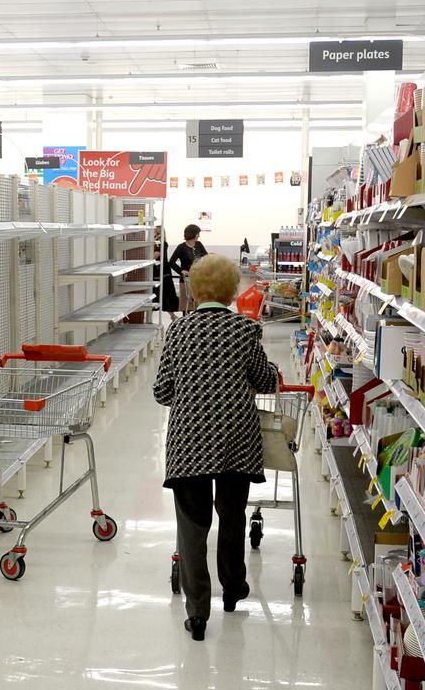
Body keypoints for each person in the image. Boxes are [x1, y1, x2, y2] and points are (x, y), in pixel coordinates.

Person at [153, 254, 280, 642]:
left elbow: (161, 391)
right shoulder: (245, 330)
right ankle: (233, 588)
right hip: (235, 440)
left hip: (189, 441)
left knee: (192, 526)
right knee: (232, 514)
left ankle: (198, 613)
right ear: (231, 290)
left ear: (194, 287)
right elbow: (266, 380)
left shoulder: (178, 332)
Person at [168, 224, 208, 312]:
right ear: (193, 234)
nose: (199, 235)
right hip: (186, 281)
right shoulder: (181, 247)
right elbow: (171, 262)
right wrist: (181, 271)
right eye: (198, 233)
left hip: (199, 280)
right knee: (186, 304)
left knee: (200, 304)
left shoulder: (199, 244)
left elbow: (207, 258)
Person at [156, 235, 180, 323]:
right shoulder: (159, 244)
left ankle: (172, 315)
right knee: (160, 294)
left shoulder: (162, 244)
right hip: (158, 271)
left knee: (166, 294)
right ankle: (172, 316)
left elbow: (155, 255)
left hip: (163, 272)